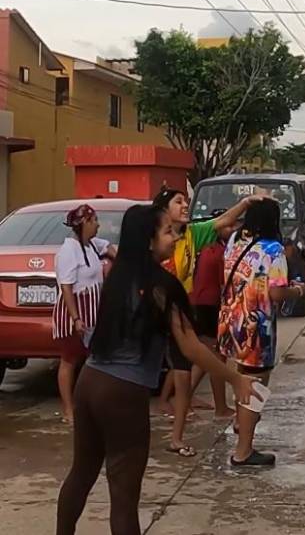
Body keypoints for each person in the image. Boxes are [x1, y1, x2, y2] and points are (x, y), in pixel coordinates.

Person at [56, 204, 254, 535]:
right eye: (168, 231)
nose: (175, 238)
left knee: (81, 473)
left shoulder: (117, 276)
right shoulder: (161, 286)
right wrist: (236, 378)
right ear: (148, 240)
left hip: (89, 382)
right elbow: (190, 346)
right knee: (123, 496)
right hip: (122, 393)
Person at [153, 188, 256, 459]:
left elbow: (222, 222)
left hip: (178, 311)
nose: (185, 205)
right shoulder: (150, 238)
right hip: (155, 313)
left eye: (186, 201)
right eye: (178, 202)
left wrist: (245, 202)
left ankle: (176, 437)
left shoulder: (191, 234)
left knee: (184, 373)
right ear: (163, 209)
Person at [219, 198, 305, 467]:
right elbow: (276, 293)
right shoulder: (273, 249)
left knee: (242, 376)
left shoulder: (234, 241)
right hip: (257, 328)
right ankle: (243, 451)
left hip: (230, 320)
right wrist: (298, 290)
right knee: (255, 385)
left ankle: (239, 422)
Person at [52, 204, 115, 424]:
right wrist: (76, 318)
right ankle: (68, 410)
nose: (98, 225)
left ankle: (91, 406)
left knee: (93, 360)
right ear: (84, 223)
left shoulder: (92, 245)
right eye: (94, 220)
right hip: (76, 312)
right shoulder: (68, 251)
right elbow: (66, 288)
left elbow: (108, 247)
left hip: (93, 311)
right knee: (69, 360)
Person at [189, 210, 235, 419]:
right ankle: (220, 407)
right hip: (210, 305)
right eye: (227, 226)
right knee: (215, 356)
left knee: (206, 355)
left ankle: (183, 398)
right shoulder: (216, 251)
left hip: (201, 303)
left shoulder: (206, 249)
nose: (231, 229)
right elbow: (224, 283)